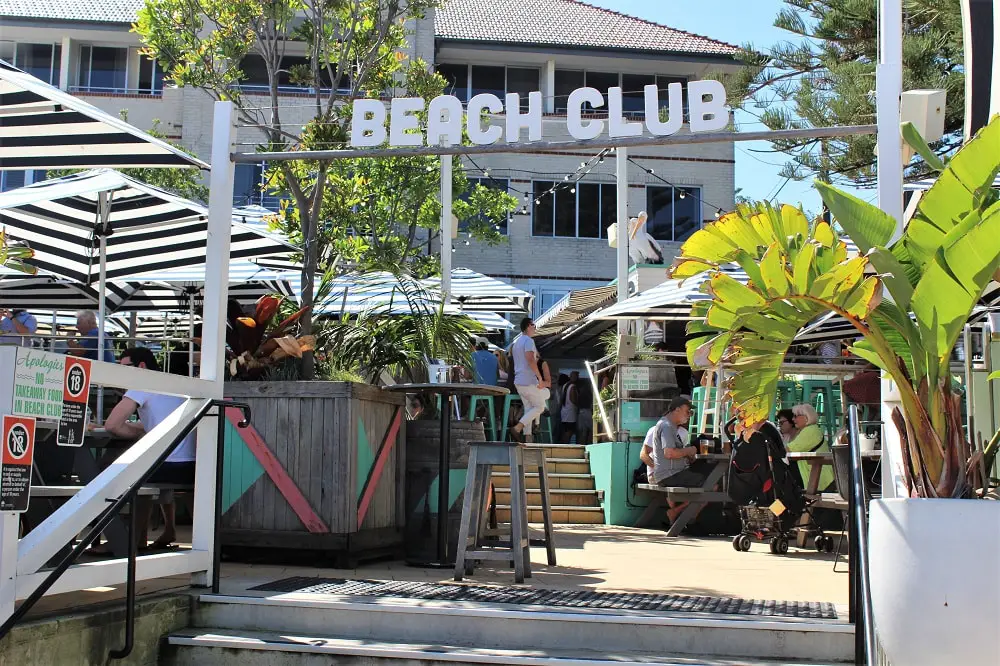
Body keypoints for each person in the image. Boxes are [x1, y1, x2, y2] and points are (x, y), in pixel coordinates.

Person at [105, 347, 195, 550]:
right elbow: (161, 421)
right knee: (151, 467)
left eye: (126, 367)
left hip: (167, 466)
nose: (123, 373)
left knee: (118, 473)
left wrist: (138, 435)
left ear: (141, 366)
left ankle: (130, 540)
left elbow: (112, 425)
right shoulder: (173, 383)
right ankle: (168, 530)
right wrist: (143, 429)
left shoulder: (142, 385)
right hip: (192, 466)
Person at [640, 396, 713, 523]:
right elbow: (669, 453)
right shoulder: (667, 426)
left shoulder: (672, 427)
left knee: (709, 481)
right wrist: (689, 451)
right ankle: (685, 518)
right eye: (687, 411)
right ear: (677, 409)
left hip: (671, 473)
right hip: (669, 474)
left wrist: (686, 456)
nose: (689, 415)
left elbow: (672, 454)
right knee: (711, 484)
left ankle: (681, 516)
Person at [509, 318, 548, 442]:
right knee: (540, 407)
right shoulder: (529, 341)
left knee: (529, 408)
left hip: (519, 381)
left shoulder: (516, 343)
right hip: (528, 380)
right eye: (533, 325)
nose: (535, 327)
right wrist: (540, 378)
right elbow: (530, 359)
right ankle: (517, 428)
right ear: (527, 327)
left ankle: (527, 438)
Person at [788, 403, 834, 491]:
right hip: (817, 476)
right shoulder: (812, 429)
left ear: (806, 417)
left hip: (818, 479)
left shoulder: (810, 431)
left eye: (795, 416)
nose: (793, 419)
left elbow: (788, 449)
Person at [560, 375, 579, 443]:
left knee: (565, 430)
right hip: (571, 413)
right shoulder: (572, 386)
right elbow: (573, 399)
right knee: (569, 431)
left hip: (564, 411)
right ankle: (565, 445)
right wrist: (578, 405)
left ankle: (563, 445)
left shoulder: (564, 385)